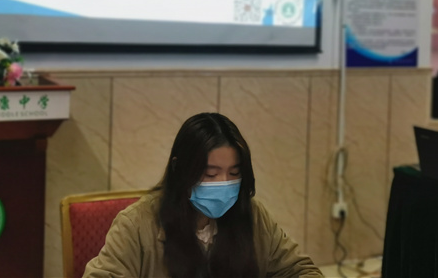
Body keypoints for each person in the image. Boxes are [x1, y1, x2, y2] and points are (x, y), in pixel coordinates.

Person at [83, 112, 322, 277]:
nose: (223, 183)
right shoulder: (137, 224)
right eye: (210, 174)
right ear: (180, 169)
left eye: (234, 173)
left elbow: (302, 271)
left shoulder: (253, 216)